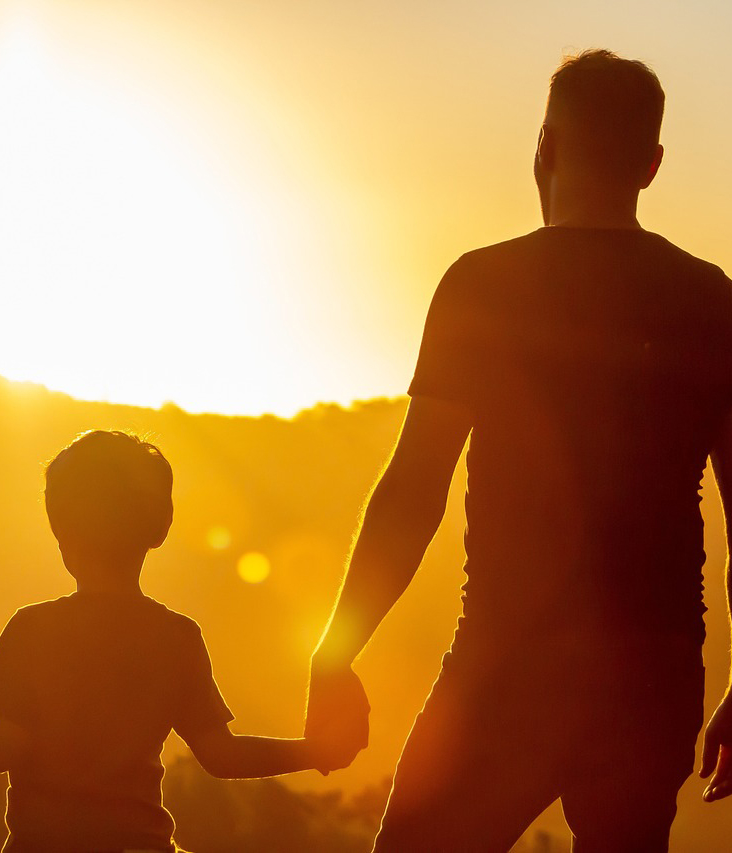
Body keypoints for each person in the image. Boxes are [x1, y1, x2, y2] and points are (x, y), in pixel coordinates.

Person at [307, 49, 732, 851]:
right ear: (652, 164)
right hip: (655, 678)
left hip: (505, 671)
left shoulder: (484, 283)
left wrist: (336, 651)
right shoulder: (712, 297)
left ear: (546, 146)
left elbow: (413, 489)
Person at [0, 430, 362, 852]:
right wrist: (318, 750)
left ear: (58, 529)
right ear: (160, 527)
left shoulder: (33, 629)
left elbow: (3, 747)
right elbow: (224, 755)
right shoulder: (177, 637)